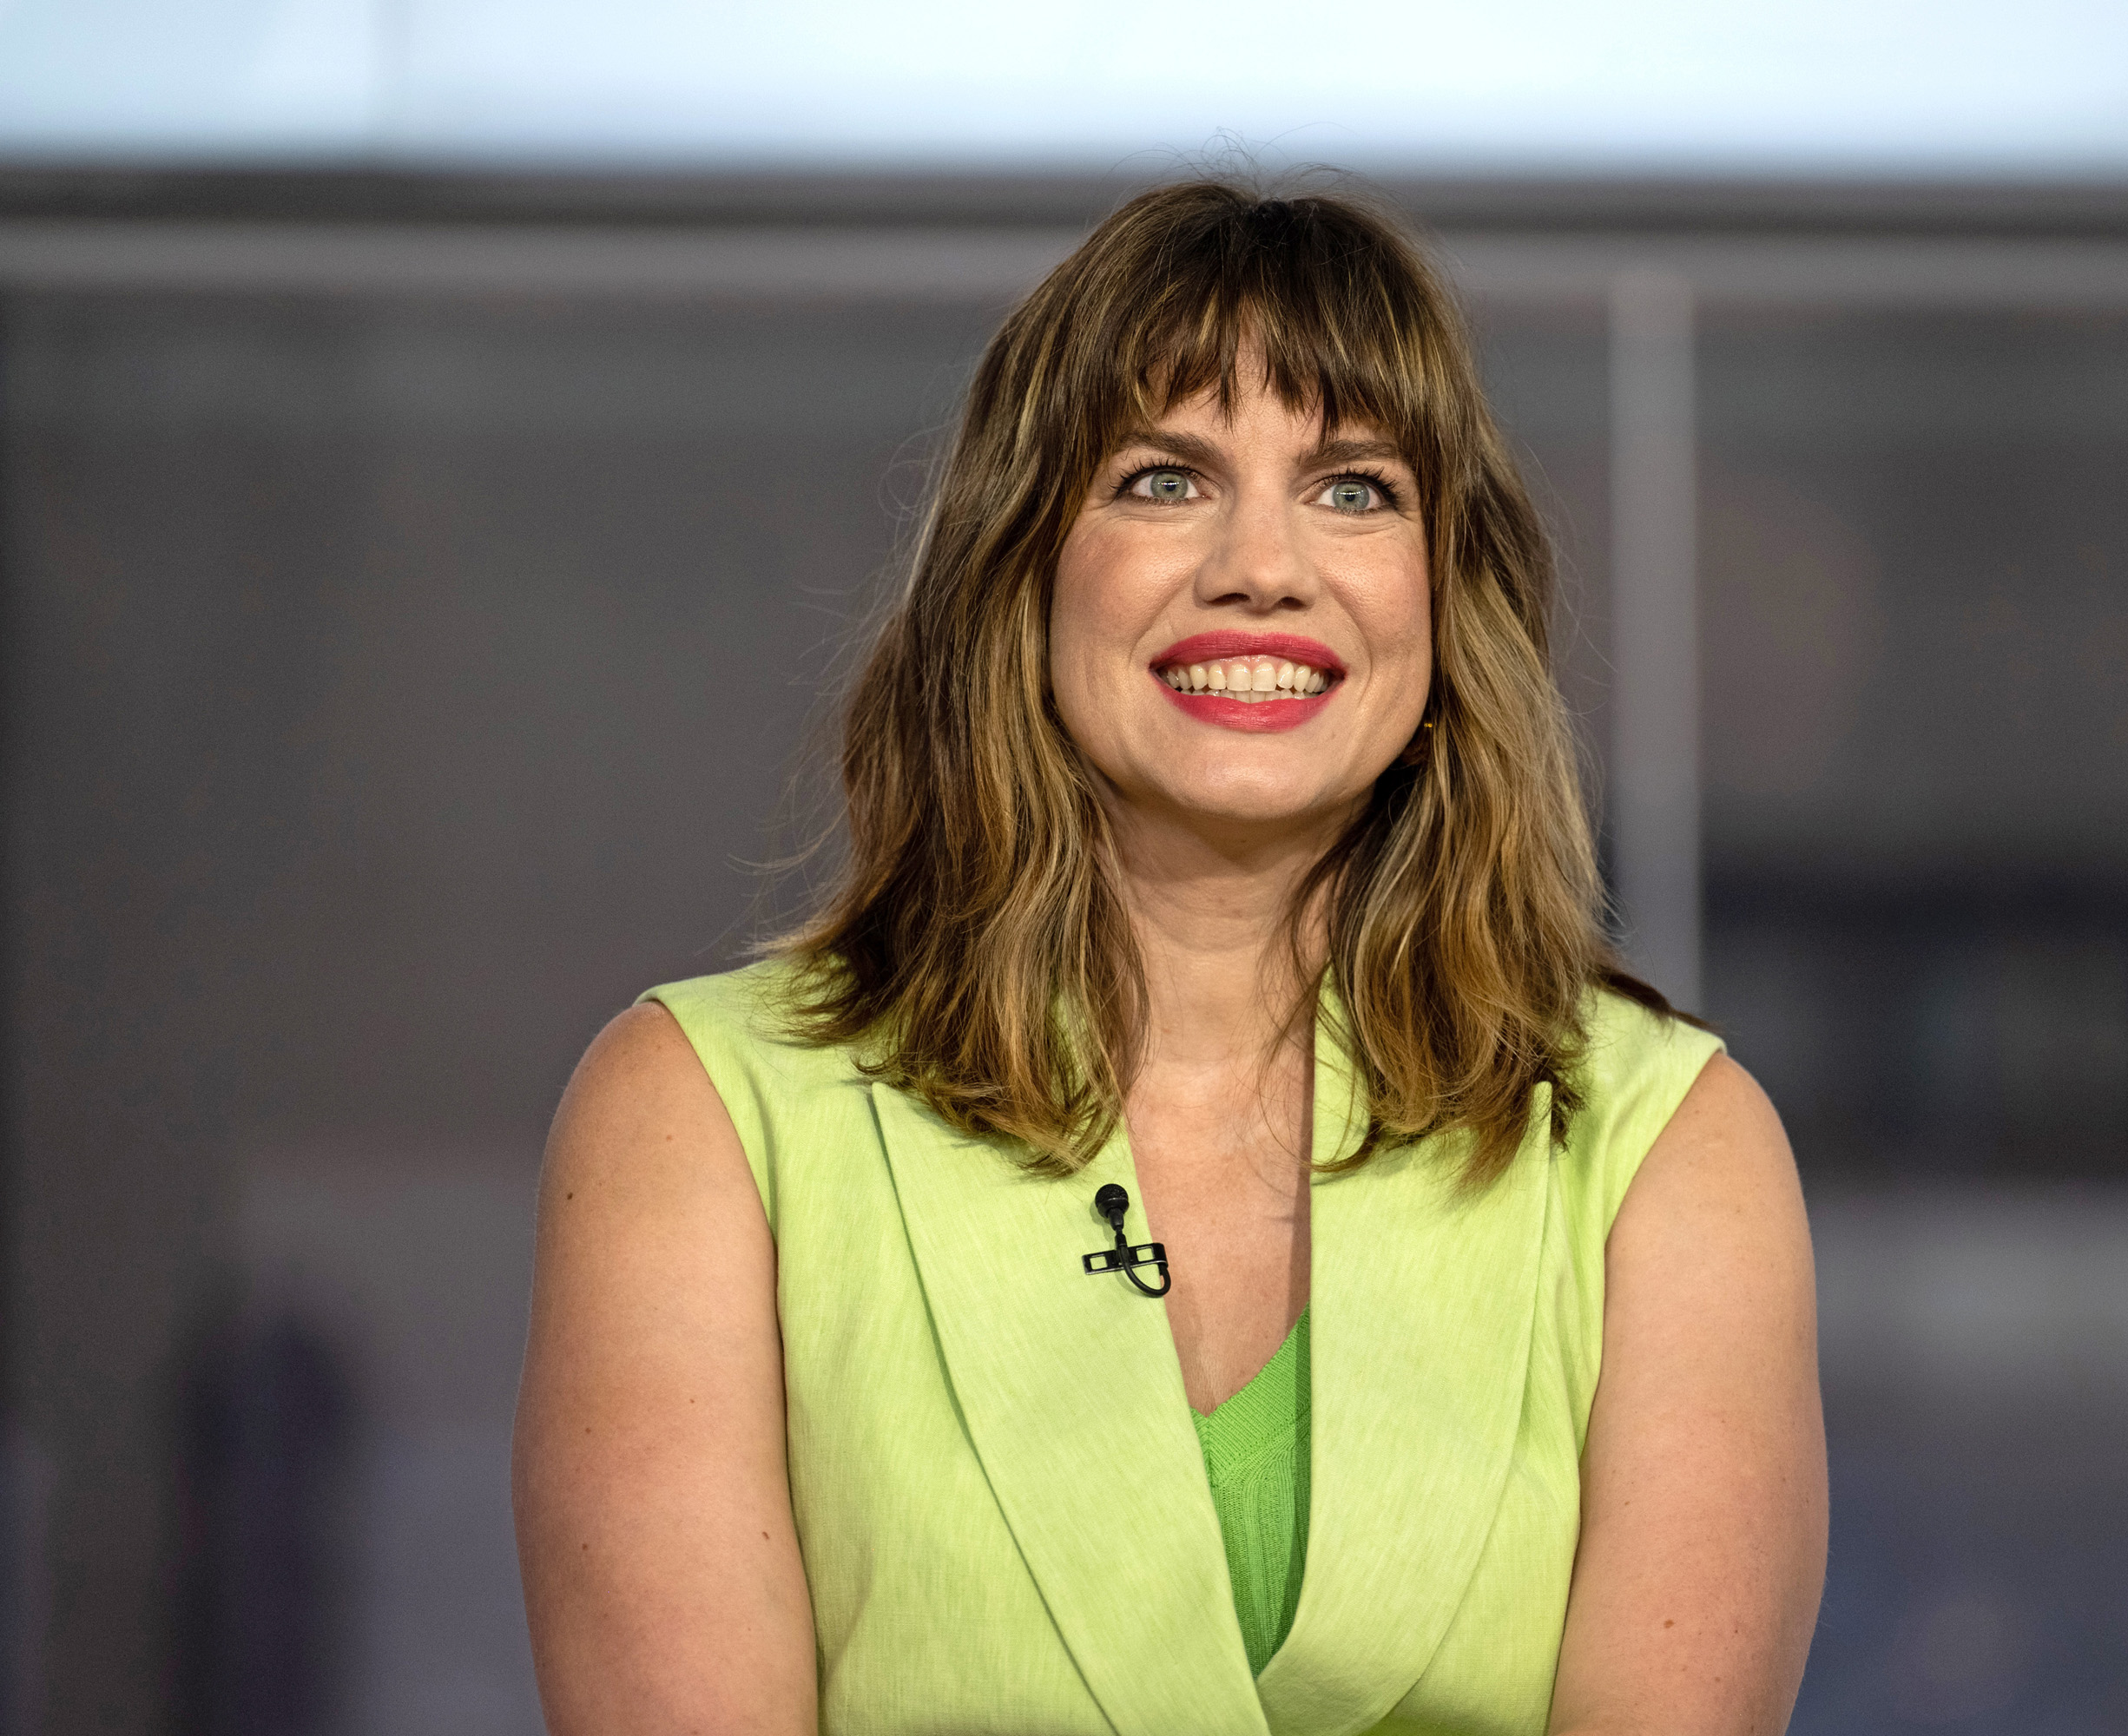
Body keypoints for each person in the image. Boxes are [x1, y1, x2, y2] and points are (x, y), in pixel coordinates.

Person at [512, 180, 1825, 1736]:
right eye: (1163, 479)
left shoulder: (1666, 1151)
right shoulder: (705, 1121)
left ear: (1441, 594)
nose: (1262, 566)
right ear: (1023, 571)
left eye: (1352, 489)